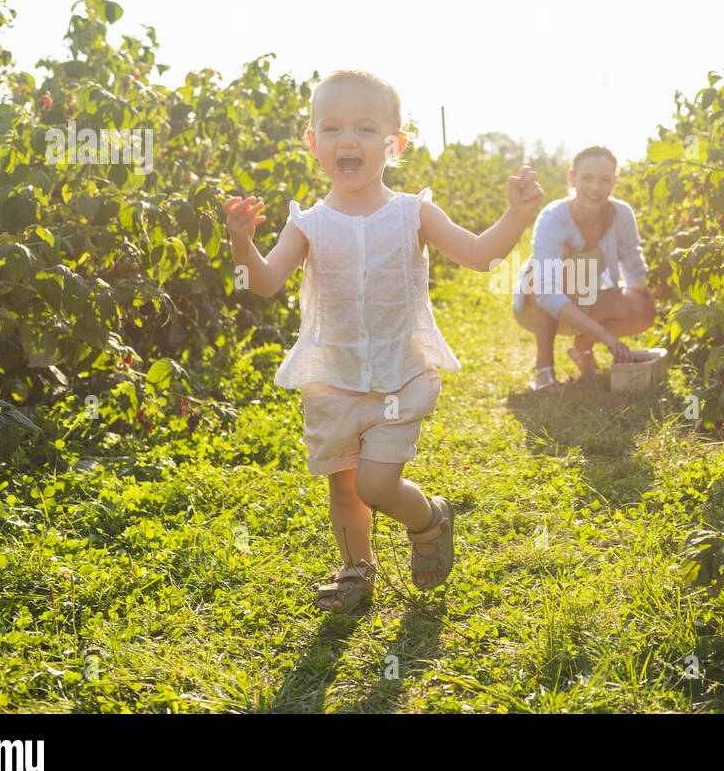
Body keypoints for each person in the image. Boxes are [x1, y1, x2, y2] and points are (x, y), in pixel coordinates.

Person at [223, 69, 542, 613]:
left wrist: (515, 215)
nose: (348, 141)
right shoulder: (310, 224)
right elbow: (265, 282)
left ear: (394, 145)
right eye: (333, 128)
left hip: (399, 376)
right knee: (343, 489)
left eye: (367, 129)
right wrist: (241, 245)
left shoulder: (411, 212)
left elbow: (479, 255)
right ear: (313, 143)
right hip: (333, 380)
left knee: (373, 485)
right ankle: (356, 568)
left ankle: (429, 518)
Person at [511, 146, 656, 392]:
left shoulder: (622, 214)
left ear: (614, 182)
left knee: (645, 305)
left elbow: (634, 268)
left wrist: (654, 286)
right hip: (536, 308)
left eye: (604, 180)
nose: (596, 188)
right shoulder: (553, 217)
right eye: (587, 178)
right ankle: (544, 369)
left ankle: (583, 346)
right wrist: (606, 336)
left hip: (587, 304)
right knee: (541, 276)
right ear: (572, 178)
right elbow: (546, 293)